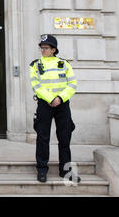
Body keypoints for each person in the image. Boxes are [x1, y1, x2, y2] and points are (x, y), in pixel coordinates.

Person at [30, 34, 81, 183]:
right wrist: (51, 98)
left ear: (54, 49)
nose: (42, 50)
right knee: (42, 138)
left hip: (62, 105)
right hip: (44, 104)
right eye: (41, 48)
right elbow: (36, 85)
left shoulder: (64, 64)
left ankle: (66, 171)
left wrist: (60, 98)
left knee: (65, 138)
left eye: (45, 48)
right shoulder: (35, 65)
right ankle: (41, 170)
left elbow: (72, 84)